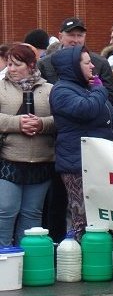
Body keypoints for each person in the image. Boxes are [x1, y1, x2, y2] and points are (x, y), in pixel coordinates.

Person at [49, 46, 113, 237]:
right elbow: (85, 109)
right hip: (78, 163)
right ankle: (77, 263)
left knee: (102, 218)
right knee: (83, 219)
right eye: (87, 63)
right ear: (73, 66)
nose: (93, 66)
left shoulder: (86, 87)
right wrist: (99, 90)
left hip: (99, 159)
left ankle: (100, 260)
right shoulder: (62, 90)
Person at [0, 44, 55, 246]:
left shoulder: (49, 89)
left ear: (31, 65)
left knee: (32, 216)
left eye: (17, 64)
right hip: (9, 161)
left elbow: (61, 120)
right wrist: (17, 123)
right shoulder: (1, 87)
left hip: (42, 161)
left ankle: (28, 267)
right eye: (9, 64)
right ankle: (4, 261)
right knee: (5, 212)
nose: (11, 69)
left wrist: (41, 124)